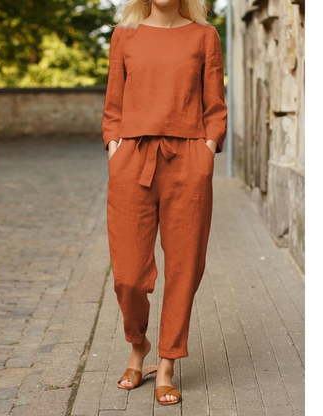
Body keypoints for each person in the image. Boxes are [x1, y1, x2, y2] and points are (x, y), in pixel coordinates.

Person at [101, 0, 227, 406]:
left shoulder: (205, 36)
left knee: (184, 269)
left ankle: (168, 364)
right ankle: (138, 345)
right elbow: (113, 105)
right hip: (132, 160)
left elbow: (215, 105)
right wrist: (114, 147)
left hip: (188, 162)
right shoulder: (125, 35)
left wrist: (208, 150)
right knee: (128, 276)